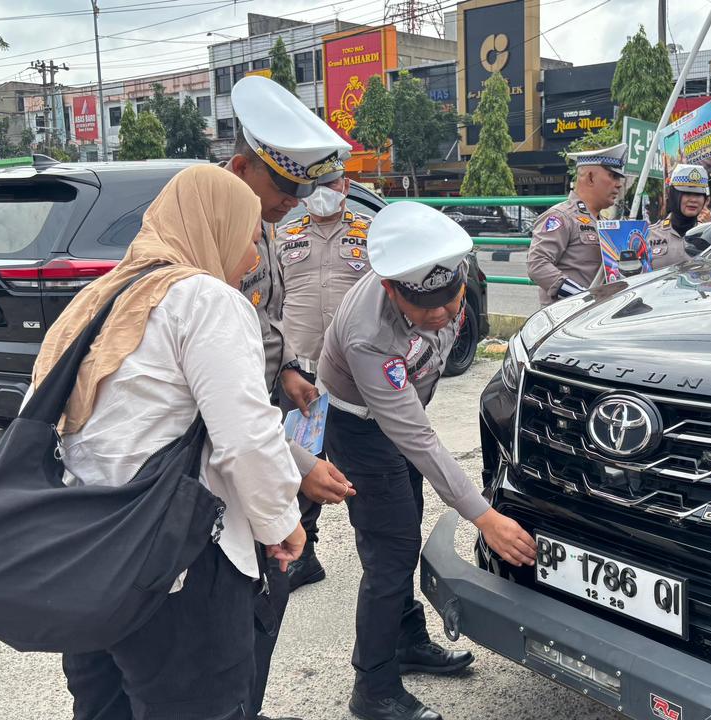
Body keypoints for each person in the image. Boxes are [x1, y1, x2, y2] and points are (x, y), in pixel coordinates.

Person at [45, 164, 307, 720]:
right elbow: (246, 437)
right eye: (247, 234)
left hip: (88, 553)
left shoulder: (98, 297)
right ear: (214, 228)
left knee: (101, 706)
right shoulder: (205, 299)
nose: (255, 257)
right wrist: (281, 524)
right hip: (175, 561)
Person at [318, 202, 538, 720]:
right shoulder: (367, 332)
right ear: (392, 288)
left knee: (404, 529)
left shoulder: (443, 287)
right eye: (426, 305)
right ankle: (372, 688)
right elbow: (416, 438)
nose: (442, 314)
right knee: (389, 552)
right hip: (359, 428)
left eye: (450, 299)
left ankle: (406, 639)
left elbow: (428, 365)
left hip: (402, 416)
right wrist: (483, 516)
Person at [226, 74, 357, 720]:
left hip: (265, 421)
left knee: (264, 598)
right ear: (239, 167)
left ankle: (244, 703)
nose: (294, 201)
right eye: (284, 186)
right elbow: (222, 375)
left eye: (302, 187)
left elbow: (262, 327)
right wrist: (298, 471)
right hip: (237, 445)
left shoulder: (263, 227)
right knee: (248, 594)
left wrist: (288, 374)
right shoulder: (221, 241)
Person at [275, 158, 373, 589]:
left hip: (354, 372)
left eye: (331, 182)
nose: (322, 191)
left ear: (346, 185)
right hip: (299, 371)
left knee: (362, 463)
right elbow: (271, 303)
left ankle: (377, 556)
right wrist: (283, 362)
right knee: (300, 462)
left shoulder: (371, 232)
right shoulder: (286, 234)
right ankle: (304, 551)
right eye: (315, 184)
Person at [527, 142, 627, 306]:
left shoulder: (605, 224)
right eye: (613, 176)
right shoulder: (561, 217)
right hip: (566, 317)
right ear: (590, 177)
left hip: (598, 315)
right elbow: (537, 265)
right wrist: (580, 297)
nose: (619, 184)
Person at [647, 163, 710, 270]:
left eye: (698, 195)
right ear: (673, 195)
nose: (693, 200)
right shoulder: (649, 235)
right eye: (687, 193)